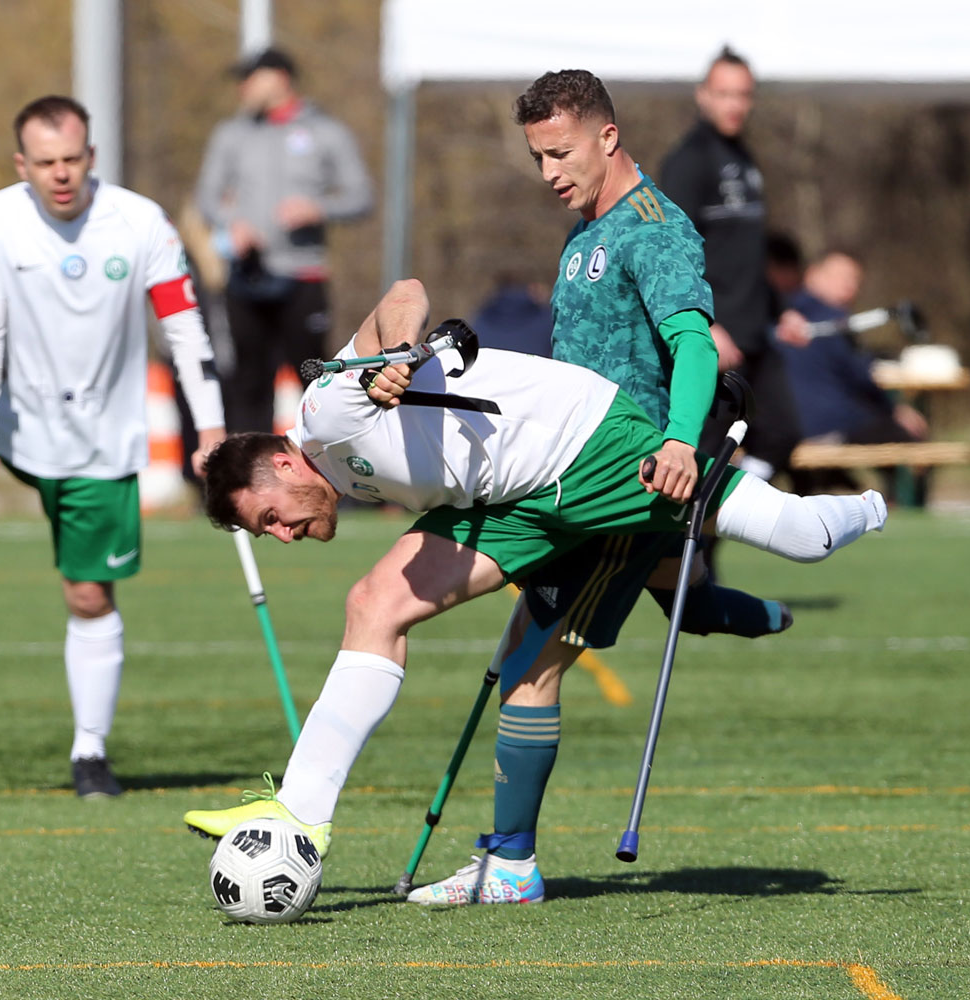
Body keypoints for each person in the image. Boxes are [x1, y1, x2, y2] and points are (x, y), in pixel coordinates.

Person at [180, 279, 887, 879]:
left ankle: (870, 507)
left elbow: (404, 293)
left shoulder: (326, 410)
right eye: (264, 532)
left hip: (587, 447)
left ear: (283, 463)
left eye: (270, 517)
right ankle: (302, 816)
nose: (280, 535)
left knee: (803, 535)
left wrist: (396, 356)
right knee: (372, 602)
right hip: (507, 502)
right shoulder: (328, 465)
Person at [391, 69, 799, 905]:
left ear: (608, 136)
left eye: (561, 152)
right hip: (564, 476)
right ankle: (712, 606)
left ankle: (511, 867)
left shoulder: (655, 230)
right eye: (537, 156)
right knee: (520, 658)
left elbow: (695, 347)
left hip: (626, 489)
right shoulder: (584, 232)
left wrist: (683, 439)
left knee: (532, 666)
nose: (549, 173)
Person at [0, 96, 226, 799]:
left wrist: (211, 430)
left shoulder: (140, 223)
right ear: (23, 165)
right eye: (45, 163)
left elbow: (187, 332)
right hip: (19, 431)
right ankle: (89, 748)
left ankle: (89, 751)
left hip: (103, 439)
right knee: (81, 584)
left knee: (86, 591)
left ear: (91, 156)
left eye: (72, 159)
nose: (61, 174)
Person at [194, 46, 373, 434]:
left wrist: (318, 208)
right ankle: (247, 485)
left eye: (250, 78)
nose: (242, 87)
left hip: (303, 276)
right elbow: (206, 198)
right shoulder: (232, 134)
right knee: (248, 383)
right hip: (245, 278)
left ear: (279, 78)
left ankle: (328, 479)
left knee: (317, 378)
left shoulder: (327, 131)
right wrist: (233, 224)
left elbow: (361, 197)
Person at [660, 47, 802, 487]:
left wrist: (782, 311)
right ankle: (697, 549)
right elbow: (673, 253)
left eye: (743, 94)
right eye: (724, 93)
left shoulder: (746, 159)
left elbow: (749, 253)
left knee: (782, 432)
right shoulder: (687, 161)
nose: (734, 104)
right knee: (702, 457)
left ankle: (730, 506)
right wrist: (707, 326)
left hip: (757, 335)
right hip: (716, 343)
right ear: (703, 96)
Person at [776, 251, 929, 495]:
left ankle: (834, 482)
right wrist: (894, 411)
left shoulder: (778, 312)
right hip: (827, 425)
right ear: (813, 275)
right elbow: (862, 378)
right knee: (909, 434)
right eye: (840, 277)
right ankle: (902, 500)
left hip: (783, 425)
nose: (849, 285)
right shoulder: (835, 321)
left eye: (854, 279)